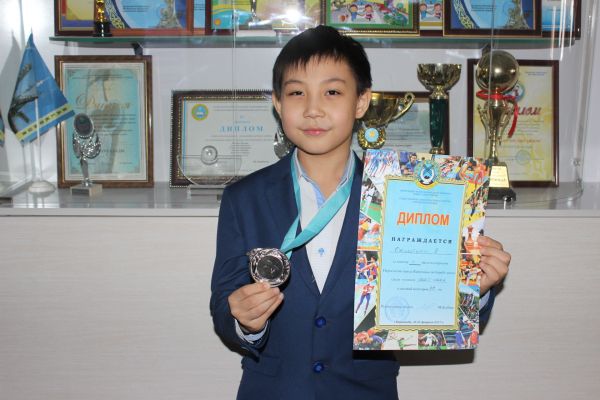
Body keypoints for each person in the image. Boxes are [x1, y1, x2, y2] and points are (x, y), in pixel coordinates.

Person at [210, 25, 511, 400]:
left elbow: (428, 309)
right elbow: (224, 304)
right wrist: (244, 320)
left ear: (361, 102)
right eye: (297, 92)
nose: (313, 108)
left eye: (332, 92)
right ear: (278, 102)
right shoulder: (244, 198)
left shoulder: (406, 196)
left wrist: (471, 289)